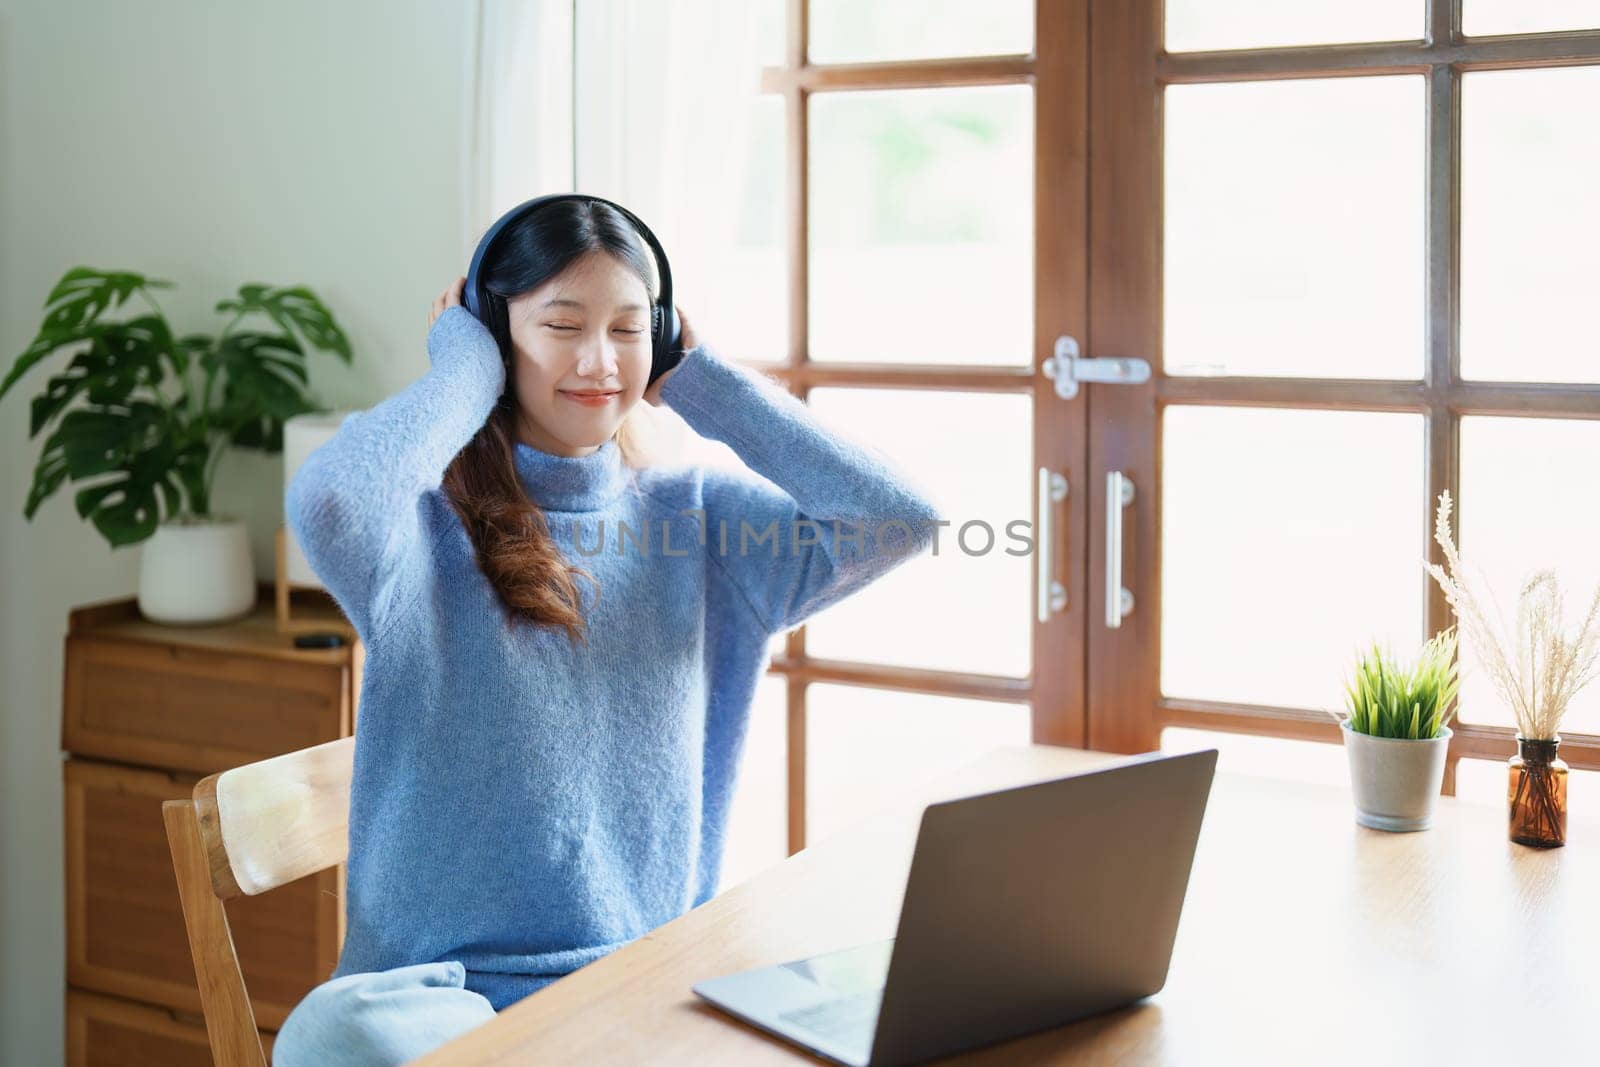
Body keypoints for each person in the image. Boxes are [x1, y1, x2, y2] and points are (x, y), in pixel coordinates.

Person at [272, 198, 942, 1065]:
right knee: (334, 1032)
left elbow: (900, 520)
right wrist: (465, 376)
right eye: (561, 325)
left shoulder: (699, 524)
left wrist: (703, 382)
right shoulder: (417, 535)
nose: (599, 361)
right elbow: (328, 501)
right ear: (491, 332)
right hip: (444, 1011)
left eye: (630, 329)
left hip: (639, 1002)